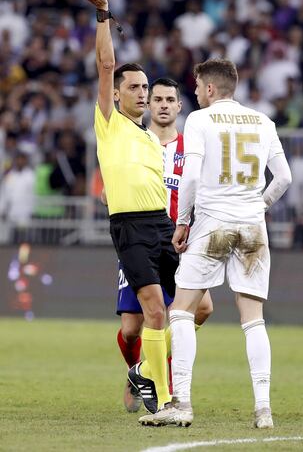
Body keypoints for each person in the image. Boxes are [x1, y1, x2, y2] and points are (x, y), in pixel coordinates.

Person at [138, 59, 292, 427]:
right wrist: (260, 205)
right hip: (252, 227)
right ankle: (263, 410)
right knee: (253, 319)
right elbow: (284, 177)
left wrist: (183, 221)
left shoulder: (199, 120)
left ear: (209, 89)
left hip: (212, 223)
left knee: (182, 311)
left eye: (195, 87)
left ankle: (182, 404)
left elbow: (190, 176)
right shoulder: (263, 121)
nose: (193, 93)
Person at [86, 0, 177, 414]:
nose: (142, 93)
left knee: (191, 310)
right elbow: (106, 65)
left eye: (146, 88)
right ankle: (162, 397)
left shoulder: (148, 138)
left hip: (162, 224)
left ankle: (145, 373)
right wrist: (103, 14)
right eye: (135, 87)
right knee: (147, 315)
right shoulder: (110, 122)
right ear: (118, 92)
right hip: (131, 226)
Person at [106, 78, 213, 412]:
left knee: (202, 308)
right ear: (148, 105)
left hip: (180, 243)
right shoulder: (135, 140)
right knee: (132, 328)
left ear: (180, 106)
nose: (164, 105)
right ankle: (135, 372)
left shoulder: (192, 150)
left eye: (170, 99)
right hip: (139, 238)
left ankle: (147, 372)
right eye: (157, 99)